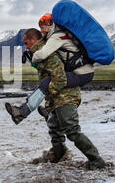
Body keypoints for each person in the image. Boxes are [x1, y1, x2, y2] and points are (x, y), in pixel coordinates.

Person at [8, 28, 106, 169]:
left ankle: (97, 161)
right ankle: (59, 159)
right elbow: (46, 78)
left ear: (33, 40)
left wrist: (50, 92)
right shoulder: (41, 54)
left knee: (72, 131)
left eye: (26, 43)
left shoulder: (49, 54)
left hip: (66, 98)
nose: (26, 46)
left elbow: (59, 78)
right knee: (54, 129)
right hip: (57, 98)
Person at [5, 13, 95, 125]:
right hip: (84, 72)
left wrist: (33, 57)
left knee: (48, 83)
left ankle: (22, 113)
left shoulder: (56, 36)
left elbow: (42, 54)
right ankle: (50, 114)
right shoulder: (61, 34)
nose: (41, 31)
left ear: (49, 24)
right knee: (51, 84)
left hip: (82, 73)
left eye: (42, 27)